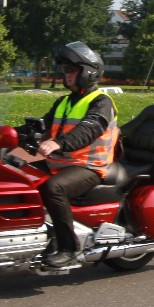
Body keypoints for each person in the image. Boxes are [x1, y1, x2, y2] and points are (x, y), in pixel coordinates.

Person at [35, 42, 119, 268]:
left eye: (72, 69)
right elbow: (43, 126)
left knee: (54, 188)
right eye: (65, 70)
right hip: (61, 162)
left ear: (88, 72)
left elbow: (88, 129)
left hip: (89, 166)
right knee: (19, 175)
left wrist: (57, 143)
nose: (67, 74)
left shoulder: (101, 102)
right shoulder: (63, 102)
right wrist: (6, 135)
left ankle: (69, 248)